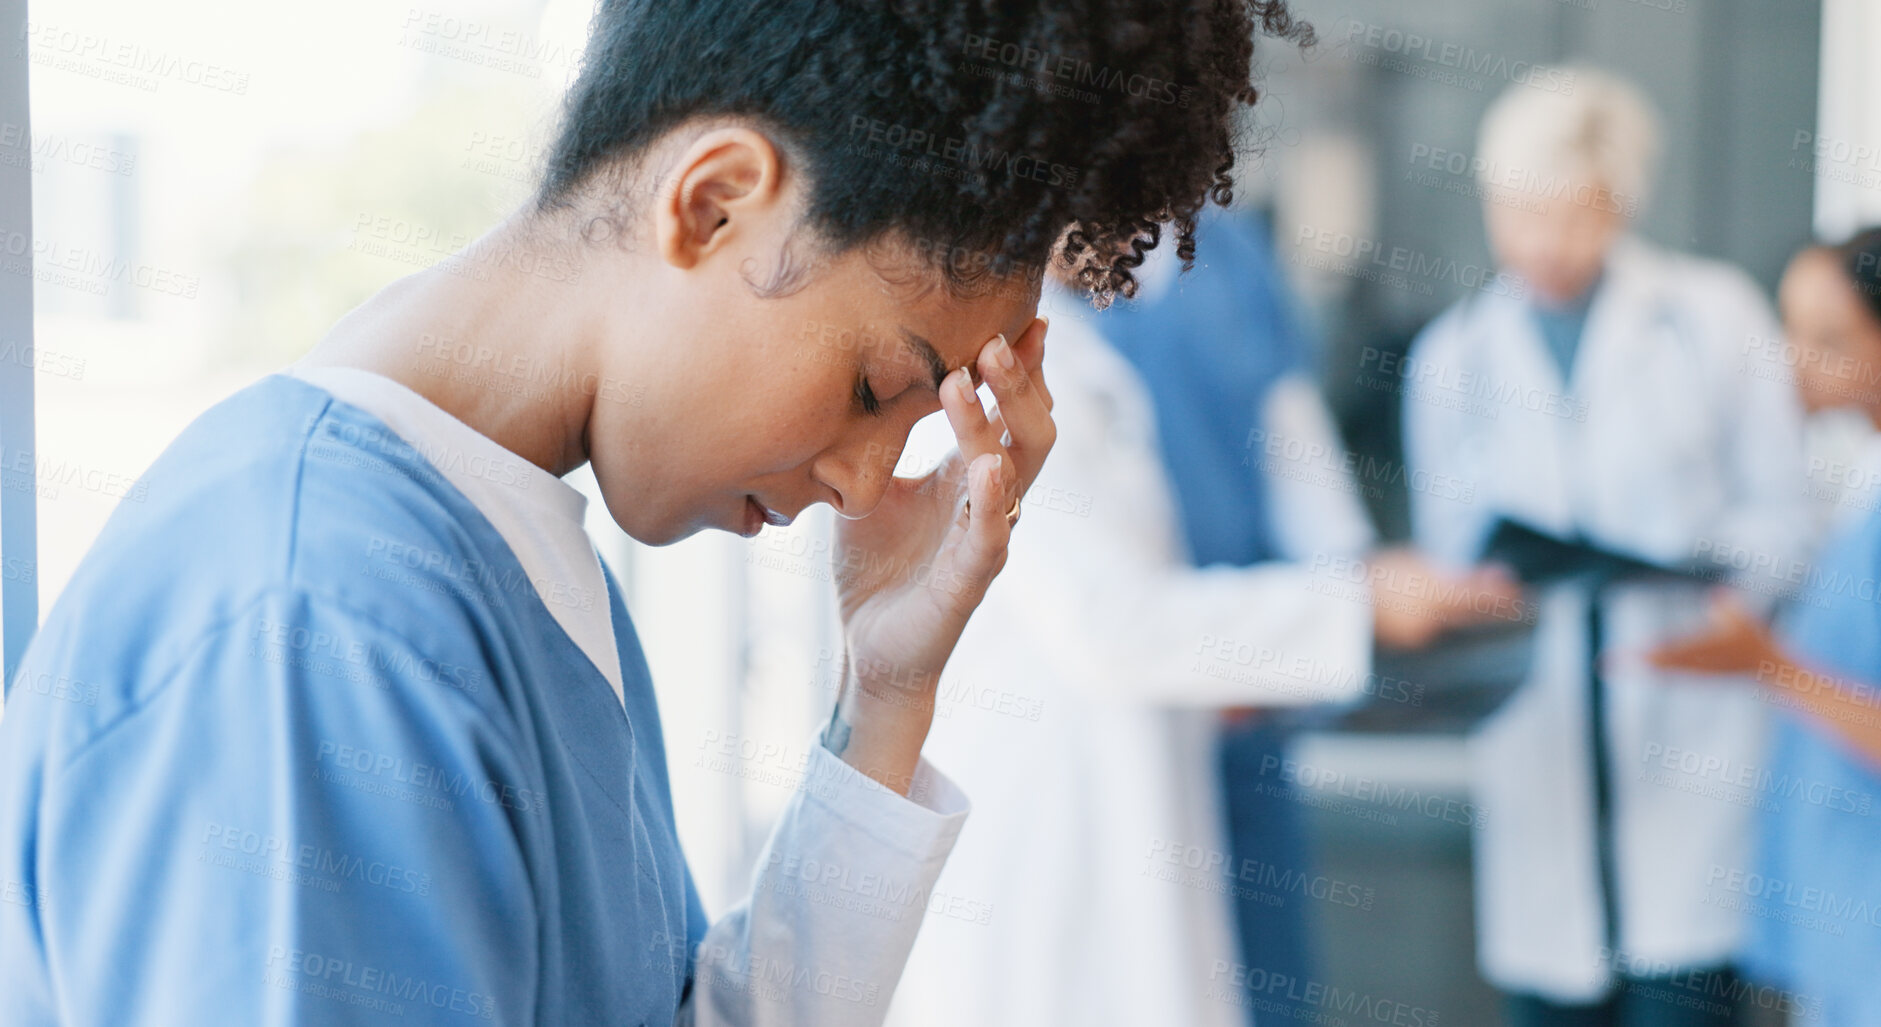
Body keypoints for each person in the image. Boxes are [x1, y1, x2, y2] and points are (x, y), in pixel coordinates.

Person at [0, 1, 1313, 1024]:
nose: (865, 481)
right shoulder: (310, 616)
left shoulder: (515, 554)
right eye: (872, 387)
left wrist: (886, 693)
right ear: (712, 201)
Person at [888, 210, 1511, 1027]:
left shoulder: (1183, 293)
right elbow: (1111, 625)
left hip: (1219, 712)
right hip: (1067, 793)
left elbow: (1295, 463)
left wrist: (1353, 579)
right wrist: (1358, 605)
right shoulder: (1005, 366)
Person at [1402, 68, 1815, 1023]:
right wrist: (1478, 589)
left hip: (1685, 720)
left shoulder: (1714, 318)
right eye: (1519, 213)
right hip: (1537, 735)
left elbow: (1788, 523)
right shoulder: (1450, 357)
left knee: (1681, 986)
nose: (1544, 244)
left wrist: (1706, 568)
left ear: (1622, 204)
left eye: (1574, 215)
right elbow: (1444, 557)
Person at [1651, 225, 1881, 1024]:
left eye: (1829, 339)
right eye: (1789, 329)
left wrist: (1772, 666)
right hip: (1864, 938)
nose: (1792, 358)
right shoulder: (1876, 485)